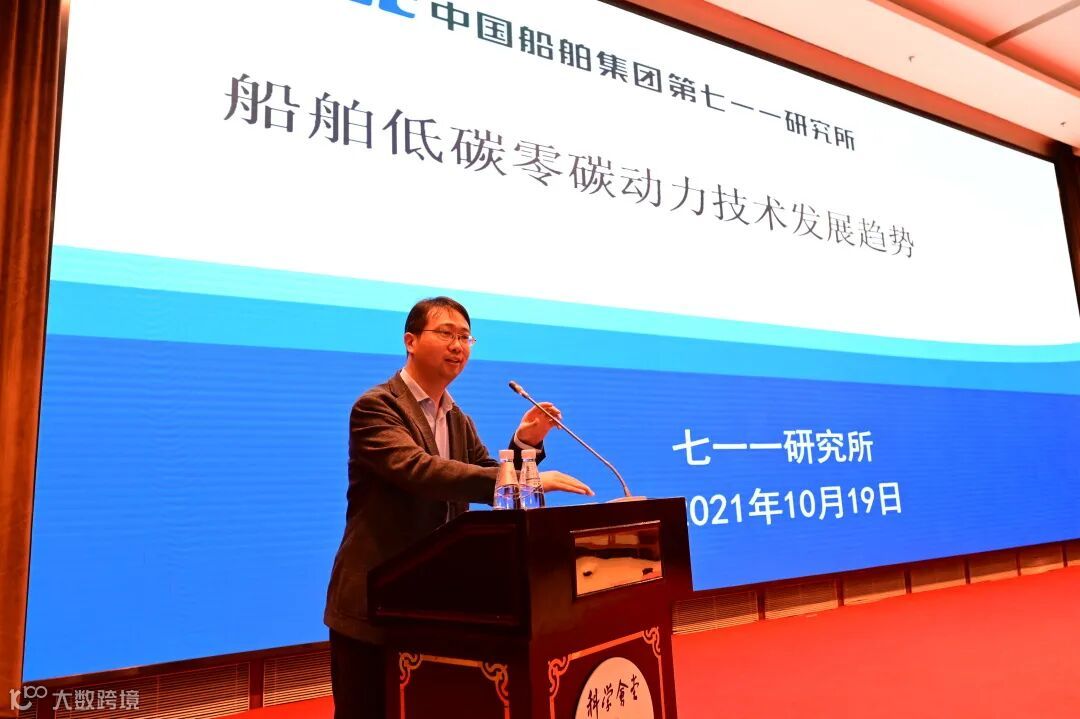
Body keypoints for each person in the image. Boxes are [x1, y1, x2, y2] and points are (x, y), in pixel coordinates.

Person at [324, 296, 593, 719]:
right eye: (446, 333)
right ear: (410, 341)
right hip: (375, 603)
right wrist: (531, 480)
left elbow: (485, 473)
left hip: (435, 603)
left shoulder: (457, 418)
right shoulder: (376, 407)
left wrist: (525, 444)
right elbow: (418, 470)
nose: (458, 345)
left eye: (466, 337)